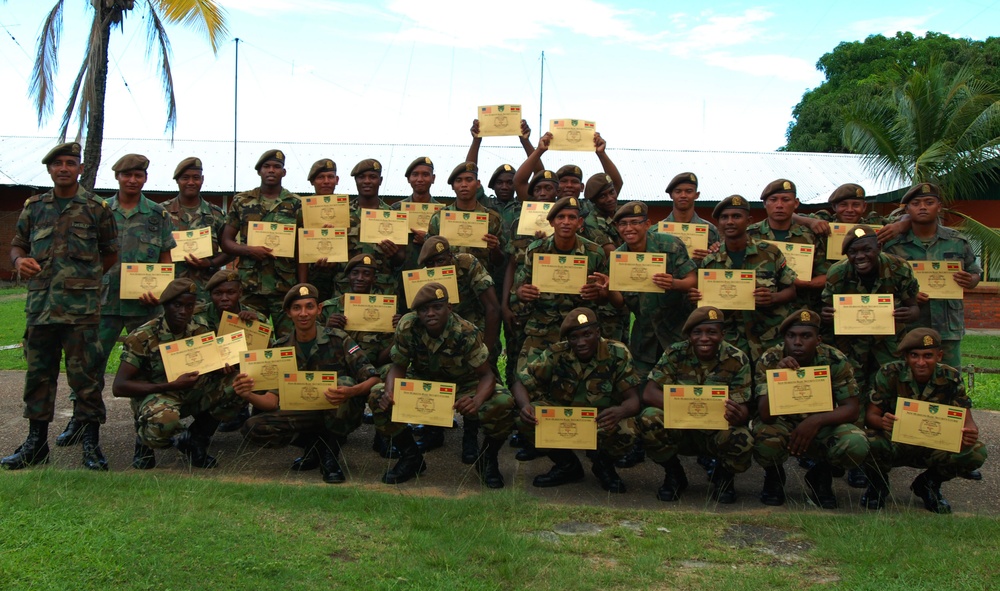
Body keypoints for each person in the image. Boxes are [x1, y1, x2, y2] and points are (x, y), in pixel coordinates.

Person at [1, 142, 118, 471]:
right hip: (41, 308)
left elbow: (110, 252)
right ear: (50, 170)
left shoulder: (96, 208)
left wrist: (86, 280)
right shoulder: (34, 207)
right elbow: (17, 245)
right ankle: (36, 444)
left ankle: (91, 444)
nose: (64, 168)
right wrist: (20, 260)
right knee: (39, 376)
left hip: (81, 311)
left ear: (80, 169)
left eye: (71, 163)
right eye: (58, 164)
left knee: (86, 377)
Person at [56, 153, 176, 449]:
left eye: (138, 175)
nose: (133, 180)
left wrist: (162, 291)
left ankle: (148, 425)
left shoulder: (157, 215)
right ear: (118, 178)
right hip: (102, 302)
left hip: (144, 306)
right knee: (89, 365)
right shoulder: (99, 209)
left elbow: (165, 258)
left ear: (145, 179)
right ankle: (81, 419)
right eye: (127, 175)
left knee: (150, 367)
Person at [368, 283, 516, 488]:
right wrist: (391, 391)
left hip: (463, 384)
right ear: (417, 312)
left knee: (503, 401)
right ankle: (411, 457)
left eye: (437, 307)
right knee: (378, 395)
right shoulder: (407, 326)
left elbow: (487, 376)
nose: (430, 313)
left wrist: (477, 400)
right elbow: (398, 366)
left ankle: (487, 458)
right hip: (423, 381)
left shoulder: (466, 332)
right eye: (423, 309)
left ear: (449, 308)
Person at [233, 283, 381, 484]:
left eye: (309, 307)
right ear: (288, 313)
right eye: (297, 308)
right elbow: (271, 401)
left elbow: (373, 377)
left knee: (343, 381)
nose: (304, 313)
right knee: (253, 427)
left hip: (337, 409)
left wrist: (351, 391)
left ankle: (330, 457)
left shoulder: (338, 339)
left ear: (319, 309)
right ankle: (315, 445)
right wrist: (247, 394)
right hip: (303, 414)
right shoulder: (281, 348)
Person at [820, 224, 920, 488]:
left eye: (866, 250)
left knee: (885, 395)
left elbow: (914, 307)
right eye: (853, 252)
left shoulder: (900, 269)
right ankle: (854, 457)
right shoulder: (838, 273)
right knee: (853, 394)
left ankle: (879, 455)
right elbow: (826, 310)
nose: (860, 256)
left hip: (888, 343)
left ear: (879, 248)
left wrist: (910, 314)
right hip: (851, 344)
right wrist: (827, 315)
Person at [112, 279, 243, 470]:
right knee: (165, 420)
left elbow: (212, 359)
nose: (183, 311)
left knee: (240, 383)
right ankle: (144, 442)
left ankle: (194, 440)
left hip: (192, 389)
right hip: (158, 394)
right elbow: (119, 386)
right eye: (177, 305)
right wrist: (168, 386)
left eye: (189, 306)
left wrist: (222, 366)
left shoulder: (201, 328)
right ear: (165, 306)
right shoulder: (143, 337)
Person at [512, 308, 641, 492]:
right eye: (574, 337)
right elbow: (520, 383)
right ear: (568, 339)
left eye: (587, 334)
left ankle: (603, 464)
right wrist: (525, 406)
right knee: (524, 418)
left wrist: (620, 411)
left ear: (598, 332)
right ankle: (567, 465)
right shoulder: (557, 353)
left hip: (600, 418)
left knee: (628, 429)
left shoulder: (618, 353)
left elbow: (634, 400)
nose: (581, 342)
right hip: (564, 417)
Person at [752, 309, 869, 509]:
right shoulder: (771, 359)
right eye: (791, 336)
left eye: (806, 336)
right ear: (785, 339)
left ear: (818, 339)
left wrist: (815, 421)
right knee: (764, 437)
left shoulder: (834, 359)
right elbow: (765, 414)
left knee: (856, 444)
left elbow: (851, 409)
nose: (797, 342)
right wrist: (779, 378)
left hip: (821, 424)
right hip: (783, 423)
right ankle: (774, 475)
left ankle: (821, 475)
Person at [862, 328, 987, 513]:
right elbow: (871, 416)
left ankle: (929, 484)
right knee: (865, 442)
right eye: (914, 355)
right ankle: (877, 484)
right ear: (905, 356)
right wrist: (882, 422)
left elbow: (967, 419)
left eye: (928, 355)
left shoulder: (950, 377)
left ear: (939, 356)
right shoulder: (890, 373)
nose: (920, 362)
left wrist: (970, 432)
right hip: (896, 442)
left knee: (976, 451)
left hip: (933, 444)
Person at [638, 307, 754, 503]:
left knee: (742, 438)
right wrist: (683, 407)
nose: (704, 338)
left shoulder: (737, 359)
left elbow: (744, 409)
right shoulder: (676, 352)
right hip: (681, 429)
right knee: (649, 417)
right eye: (697, 332)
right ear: (689, 335)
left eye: (711, 332)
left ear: (722, 334)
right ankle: (674, 473)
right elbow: (649, 393)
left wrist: (737, 414)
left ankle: (724, 476)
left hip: (715, 431)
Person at [415, 236, 501, 462]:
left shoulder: (468, 264)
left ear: (451, 257)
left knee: (478, 379)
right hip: (439, 328)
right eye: (430, 264)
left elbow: (492, 308)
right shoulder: (422, 277)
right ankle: (434, 430)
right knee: (433, 367)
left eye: (441, 261)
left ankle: (470, 436)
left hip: (474, 328)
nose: (437, 268)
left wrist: (487, 350)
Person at [883, 183, 982, 369]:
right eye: (916, 203)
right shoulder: (892, 245)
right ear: (907, 209)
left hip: (947, 325)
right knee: (907, 377)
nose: (922, 207)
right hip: (908, 325)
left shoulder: (957, 241)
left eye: (929, 202)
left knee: (949, 378)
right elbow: (884, 283)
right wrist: (907, 296)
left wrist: (971, 280)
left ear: (939, 207)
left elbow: (974, 271)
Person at [690, 195, 797, 364]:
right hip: (731, 340)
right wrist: (697, 298)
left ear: (749, 221)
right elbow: (704, 303)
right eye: (724, 217)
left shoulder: (770, 252)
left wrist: (773, 297)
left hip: (769, 336)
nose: (730, 222)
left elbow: (791, 290)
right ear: (718, 224)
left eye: (736, 216)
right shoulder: (710, 261)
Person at [320, 253, 401, 459]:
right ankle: (335, 433)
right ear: (348, 277)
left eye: (367, 274)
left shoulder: (385, 309)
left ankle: (384, 435)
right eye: (355, 273)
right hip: (342, 370)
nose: (360, 278)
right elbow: (317, 350)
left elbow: (385, 358)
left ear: (375, 279)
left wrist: (396, 335)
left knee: (395, 377)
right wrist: (327, 329)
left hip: (373, 368)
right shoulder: (329, 308)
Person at [220, 149, 305, 339]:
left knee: (290, 339)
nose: (271, 170)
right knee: (247, 340)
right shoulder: (242, 201)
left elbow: (302, 249)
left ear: (284, 172)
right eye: (266, 166)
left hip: (284, 287)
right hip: (250, 287)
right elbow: (226, 242)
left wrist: (301, 286)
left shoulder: (296, 204)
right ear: (259, 171)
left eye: (277, 167)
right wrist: (249, 250)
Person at [748, 179, 829, 313]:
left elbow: (825, 274)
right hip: (760, 315)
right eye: (773, 200)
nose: (779, 205)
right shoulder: (750, 235)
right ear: (764, 204)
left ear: (796, 203)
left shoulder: (810, 237)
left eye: (786, 200)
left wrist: (806, 284)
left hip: (800, 311)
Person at [162, 157, 230, 299]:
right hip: (169, 290)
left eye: (196, 178)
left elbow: (230, 250)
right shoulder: (161, 213)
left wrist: (210, 263)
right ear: (177, 180)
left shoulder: (216, 215)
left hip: (204, 291)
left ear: (202, 179)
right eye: (185, 178)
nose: (191, 182)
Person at [426, 162, 505, 272]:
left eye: (469, 180)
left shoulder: (492, 218)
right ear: (453, 186)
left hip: (480, 283)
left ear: (478, 184)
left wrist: (495, 248)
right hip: (448, 280)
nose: (464, 185)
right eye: (459, 181)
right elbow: (428, 257)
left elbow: (500, 262)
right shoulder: (439, 218)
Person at [662, 172, 720, 262]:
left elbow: (718, 264)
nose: (683, 195)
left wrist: (710, 256)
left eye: (689, 191)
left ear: (696, 195)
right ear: (671, 195)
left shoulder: (710, 231)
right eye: (678, 191)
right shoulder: (657, 231)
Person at [304, 157, 340, 302]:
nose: (326, 181)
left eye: (330, 177)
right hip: (311, 275)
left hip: (340, 278)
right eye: (320, 177)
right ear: (312, 181)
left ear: (337, 180)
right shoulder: (301, 209)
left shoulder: (349, 209)